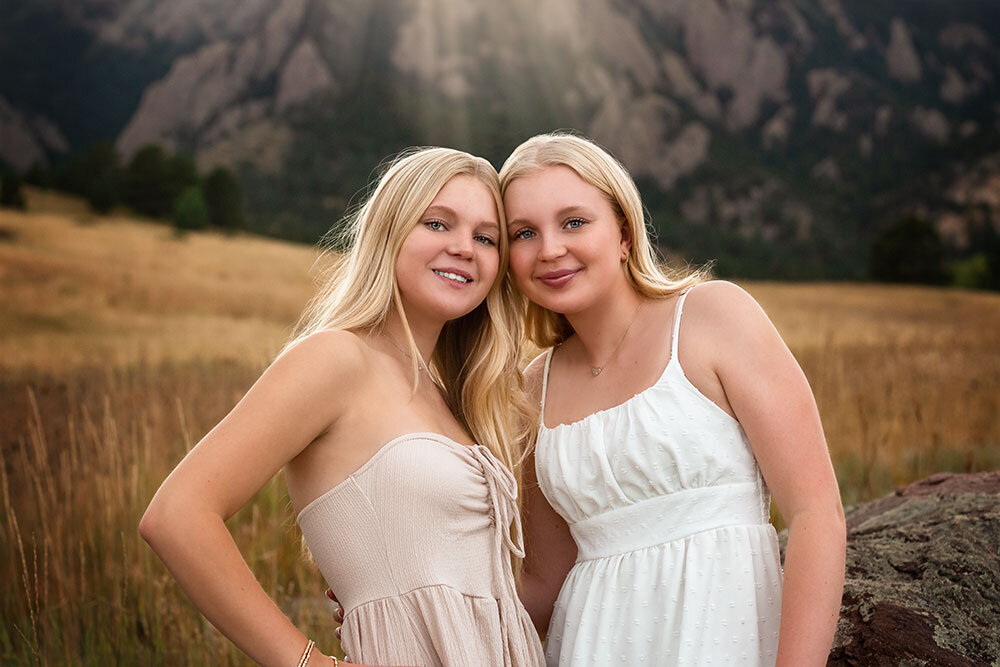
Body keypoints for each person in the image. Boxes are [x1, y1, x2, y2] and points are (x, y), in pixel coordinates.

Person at [140, 147, 545, 667]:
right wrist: (305, 662)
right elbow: (177, 515)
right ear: (389, 231)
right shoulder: (336, 358)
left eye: (485, 237)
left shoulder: (451, 396)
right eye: (438, 223)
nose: (464, 248)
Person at [499, 132, 846, 666]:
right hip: (591, 647)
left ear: (622, 231)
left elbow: (815, 513)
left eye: (574, 222)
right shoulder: (531, 389)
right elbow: (547, 580)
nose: (550, 249)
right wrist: (409, 606)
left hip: (723, 632)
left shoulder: (713, 317)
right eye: (525, 232)